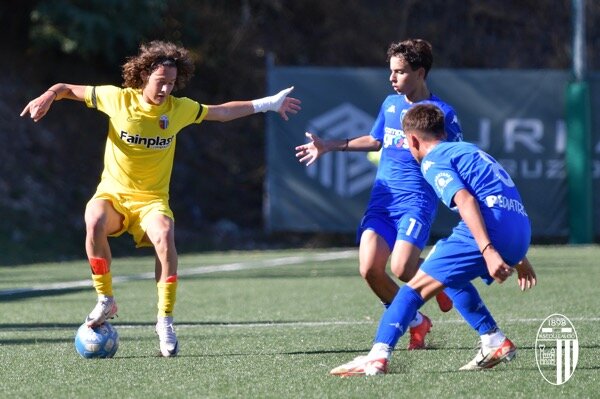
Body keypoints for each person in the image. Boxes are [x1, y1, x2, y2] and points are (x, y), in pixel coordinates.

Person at [20, 40, 301, 357]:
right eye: (160, 81)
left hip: (151, 200)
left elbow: (220, 113)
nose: (166, 88)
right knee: (94, 219)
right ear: (143, 76)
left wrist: (268, 104)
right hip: (114, 193)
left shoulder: (178, 109)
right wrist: (48, 96)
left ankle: (164, 320)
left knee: (166, 236)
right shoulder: (117, 99)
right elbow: (65, 88)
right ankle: (105, 299)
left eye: (171, 82)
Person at [330, 104, 537, 376]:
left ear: (413, 140)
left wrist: (487, 249)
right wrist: (519, 255)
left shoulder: (432, 160)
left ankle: (377, 356)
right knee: (454, 279)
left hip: (493, 231)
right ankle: (493, 340)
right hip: (520, 230)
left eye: (406, 142)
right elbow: (498, 199)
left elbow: (465, 199)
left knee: (411, 291)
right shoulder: (468, 149)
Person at [295, 39, 462, 350]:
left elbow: (455, 156)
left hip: (416, 201)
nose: (392, 78)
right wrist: (328, 145)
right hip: (382, 202)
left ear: (420, 73)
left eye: (399, 72)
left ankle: (438, 277)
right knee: (369, 268)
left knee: (401, 268)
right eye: (391, 71)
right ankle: (416, 322)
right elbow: (375, 141)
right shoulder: (390, 105)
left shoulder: (442, 114)